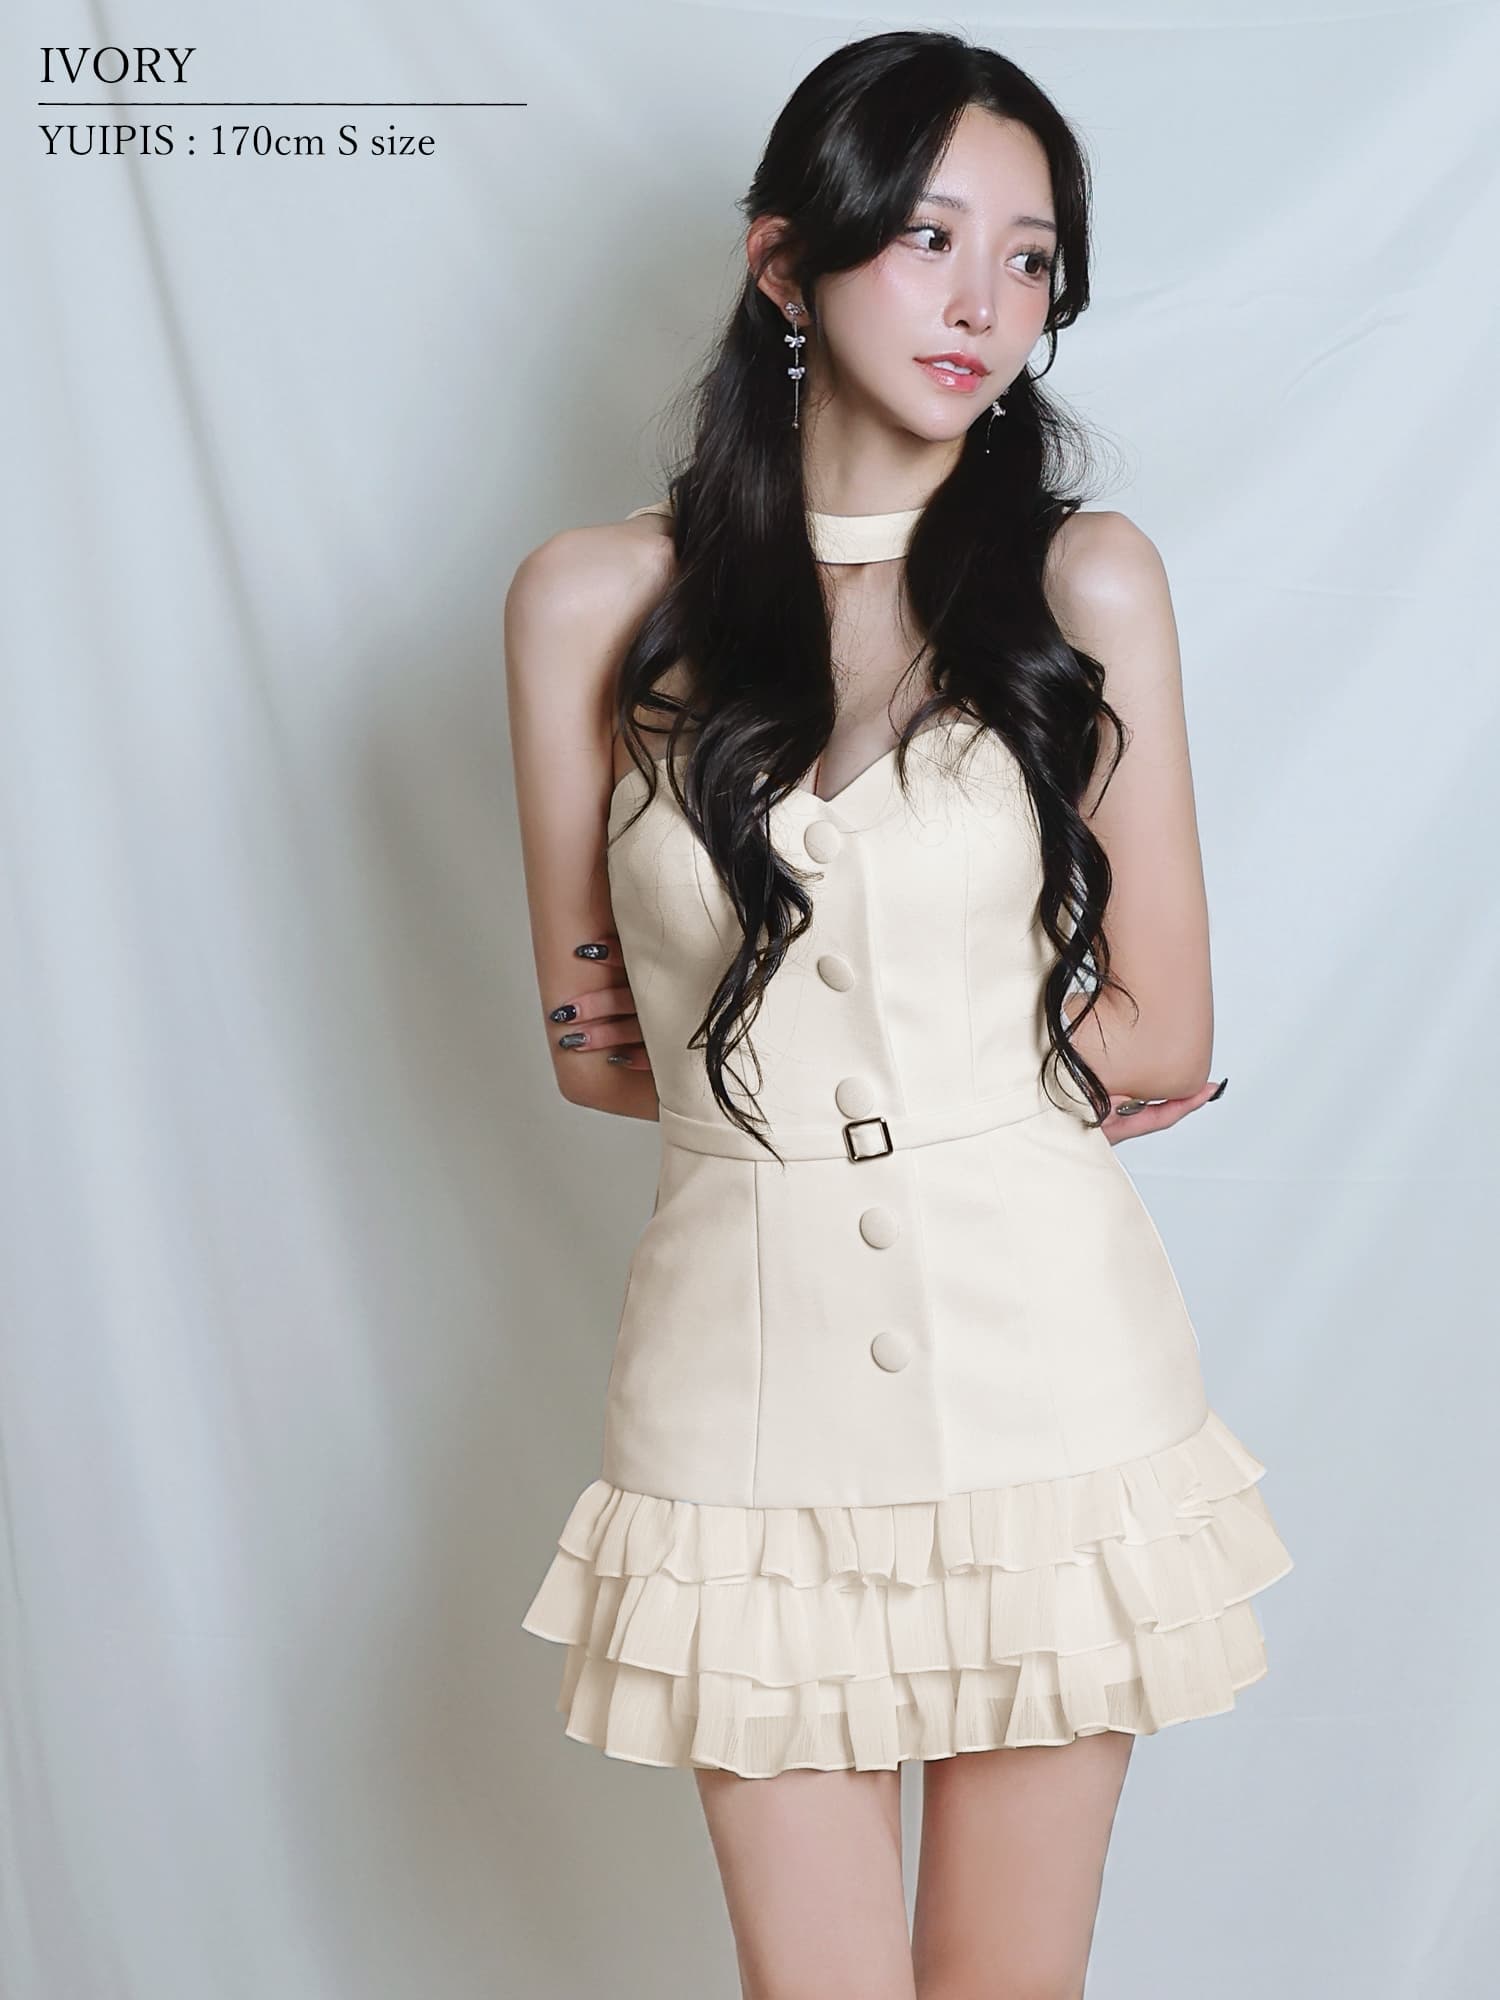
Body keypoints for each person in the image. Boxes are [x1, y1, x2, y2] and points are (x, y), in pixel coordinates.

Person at [504, 29, 1293, 2000]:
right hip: (739, 1375)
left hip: (1048, 1371)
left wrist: (908, 1091)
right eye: (929, 237)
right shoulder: (595, 603)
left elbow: (1169, 1030)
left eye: (1030, 259)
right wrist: (968, 1060)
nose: (981, 302)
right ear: (787, 263)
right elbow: (596, 1044)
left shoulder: (1084, 584)